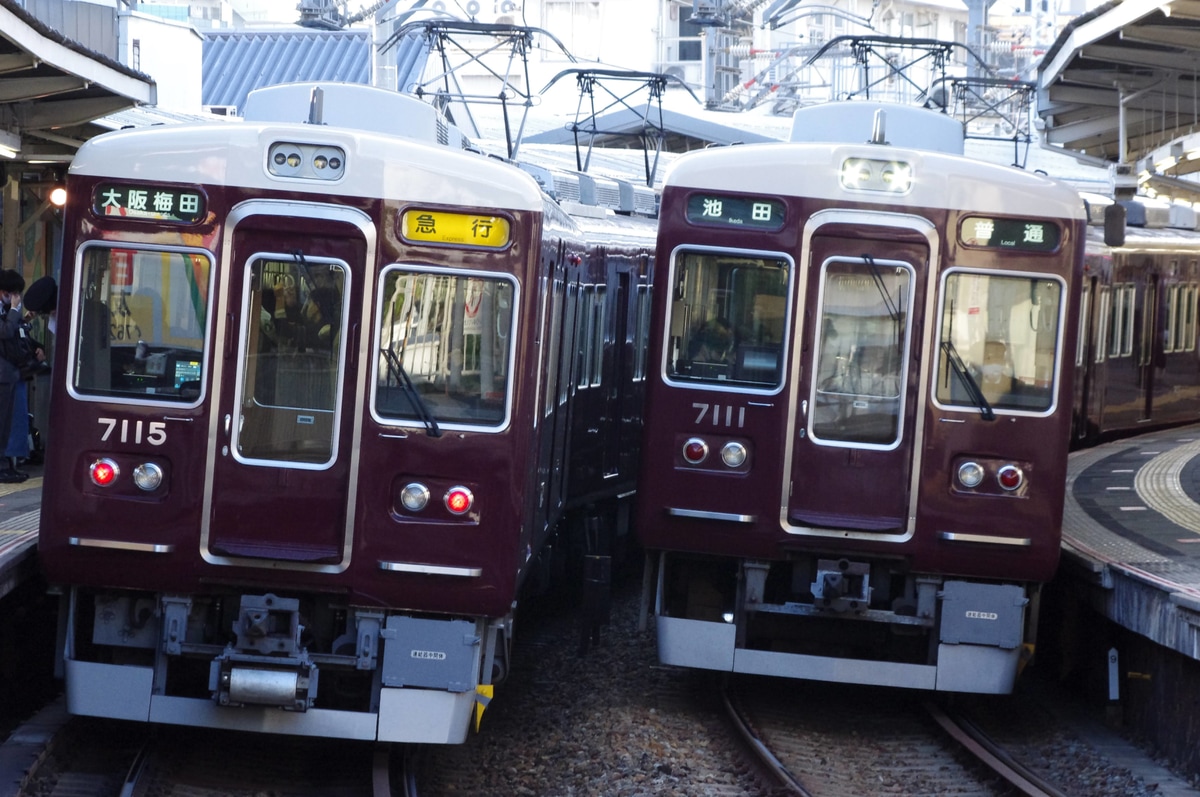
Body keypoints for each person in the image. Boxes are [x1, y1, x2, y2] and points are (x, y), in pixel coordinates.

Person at [0, 270, 30, 482]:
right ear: (4, 292)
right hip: (2, 375)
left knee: (6, 425)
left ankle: (5, 465)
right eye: (14, 293)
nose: (16, 298)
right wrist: (14, 311)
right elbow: (5, 332)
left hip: (8, 374)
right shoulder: (7, 310)